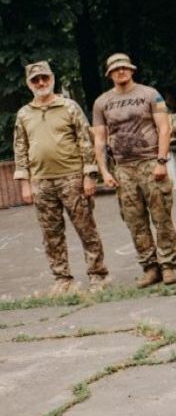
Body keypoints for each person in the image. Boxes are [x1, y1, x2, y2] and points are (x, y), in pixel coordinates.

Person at [13, 61, 109, 294]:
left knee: (86, 228)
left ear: (52, 78)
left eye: (44, 78)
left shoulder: (69, 107)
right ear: (29, 84)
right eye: (35, 80)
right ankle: (62, 278)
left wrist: (89, 175)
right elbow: (20, 147)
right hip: (42, 181)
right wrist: (25, 183)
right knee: (51, 233)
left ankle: (98, 274)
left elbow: (85, 141)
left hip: (72, 178)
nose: (41, 83)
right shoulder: (24, 113)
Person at [92, 53, 176, 288]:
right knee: (134, 221)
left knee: (162, 216)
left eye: (125, 68)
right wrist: (105, 172)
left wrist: (161, 161)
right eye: (116, 69)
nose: (121, 72)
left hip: (150, 163)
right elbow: (99, 139)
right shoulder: (101, 102)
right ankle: (150, 267)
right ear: (109, 74)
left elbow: (164, 128)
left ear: (132, 70)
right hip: (123, 168)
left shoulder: (150, 94)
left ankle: (168, 265)